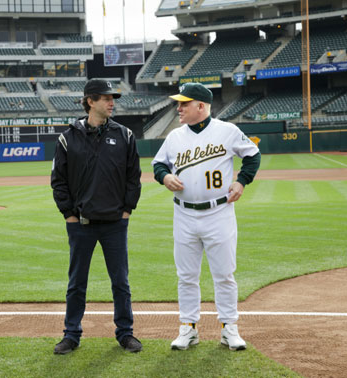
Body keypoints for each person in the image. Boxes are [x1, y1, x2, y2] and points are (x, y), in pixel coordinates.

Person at [152, 83, 261, 351]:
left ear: (201, 106)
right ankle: (188, 328)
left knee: (224, 274)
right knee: (186, 275)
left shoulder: (227, 131)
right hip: (184, 213)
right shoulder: (175, 136)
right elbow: (158, 163)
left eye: (184, 103)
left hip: (219, 213)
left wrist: (242, 181)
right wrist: (164, 176)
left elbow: (253, 156)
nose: (178, 108)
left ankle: (229, 329)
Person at [51, 79, 142, 354]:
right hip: (81, 224)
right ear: (90, 101)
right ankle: (71, 334)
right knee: (77, 283)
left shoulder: (125, 135)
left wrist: (127, 211)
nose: (112, 102)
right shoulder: (68, 137)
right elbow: (58, 180)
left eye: (113, 97)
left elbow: (133, 178)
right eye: (106, 98)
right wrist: (68, 214)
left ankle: (125, 333)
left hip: (115, 223)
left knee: (120, 282)